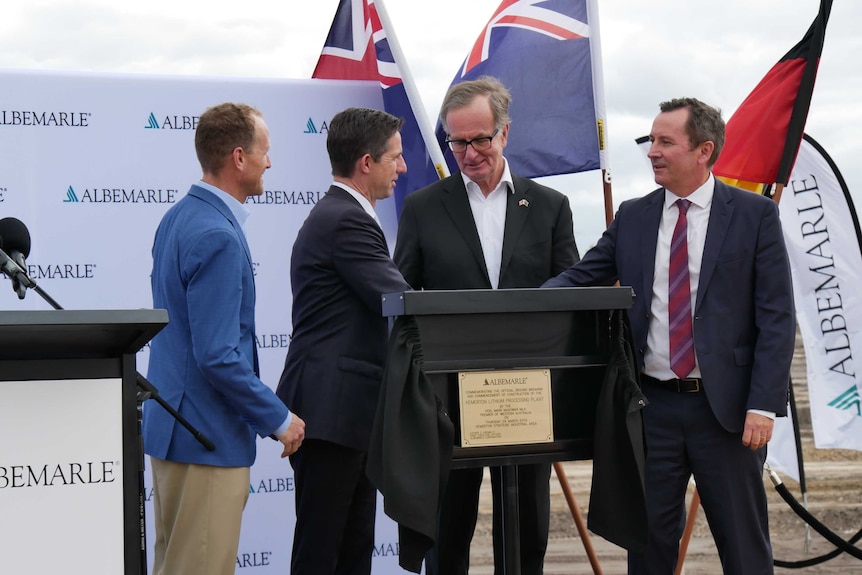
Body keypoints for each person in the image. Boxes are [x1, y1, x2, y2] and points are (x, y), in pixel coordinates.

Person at [544, 97, 796, 574]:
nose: (652, 151)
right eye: (650, 141)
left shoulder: (754, 214)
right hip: (651, 409)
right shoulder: (634, 215)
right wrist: (514, 306)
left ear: (704, 150)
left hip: (726, 412)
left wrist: (763, 404)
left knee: (743, 547)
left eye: (665, 142)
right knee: (649, 546)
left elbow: (776, 315)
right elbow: (580, 278)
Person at [394, 76, 579, 575]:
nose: (470, 152)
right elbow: (402, 300)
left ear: (505, 133)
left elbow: (571, 295)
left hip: (528, 393)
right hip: (448, 397)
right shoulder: (423, 208)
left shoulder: (549, 207)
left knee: (525, 530)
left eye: (481, 139)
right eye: (458, 142)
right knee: (448, 528)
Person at [144, 102, 306, 575]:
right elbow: (217, 356)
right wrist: (278, 418)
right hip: (205, 438)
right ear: (239, 157)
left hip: (177, 432)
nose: (269, 163)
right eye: (264, 152)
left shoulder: (178, 218)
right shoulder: (218, 234)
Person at [276, 107, 412, 575]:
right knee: (325, 551)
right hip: (332, 412)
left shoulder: (343, 216)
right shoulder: (345, 221)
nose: (403, 167)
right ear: (367, 163)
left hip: (344, 413)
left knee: (351, 549)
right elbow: (400, 301)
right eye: (395, 157)